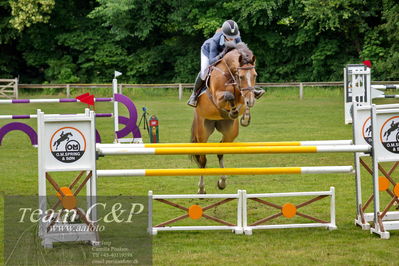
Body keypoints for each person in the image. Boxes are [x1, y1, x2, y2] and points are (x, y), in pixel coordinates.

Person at [187, 20, 264, 107]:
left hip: (226, 52)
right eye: (229, 36)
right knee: (204, 72)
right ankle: (194, 95)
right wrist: (223, 54)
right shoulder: (214, 42)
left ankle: (251, 90)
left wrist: (248, 58)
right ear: (224, 34)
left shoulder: (237, 37)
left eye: (233, 36)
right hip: (209, 52)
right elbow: (212, 61)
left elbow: (242, 51)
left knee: (243, 69)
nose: (232, 38)